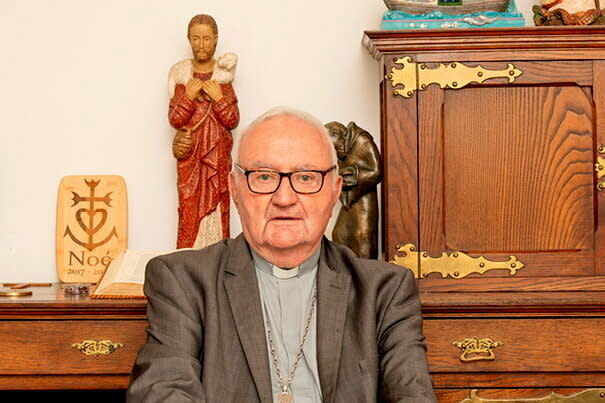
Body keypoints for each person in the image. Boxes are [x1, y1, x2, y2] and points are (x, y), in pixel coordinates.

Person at [127, 107, 436, 402]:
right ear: (234, 189)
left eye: (306, 178)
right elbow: (163, 392)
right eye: (263, 177)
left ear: (334, 190)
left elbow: (412, 395)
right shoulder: (184, 281)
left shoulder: (384, 290)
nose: (284, 198)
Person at [168, 14, 239, 249]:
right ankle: (187, 261)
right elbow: (175, 118)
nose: (201, 45)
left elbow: (232, 120)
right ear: (188, 40)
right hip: (190, 157)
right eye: (196, 38)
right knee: (189, 206)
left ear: (216, 40)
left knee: (218, 204)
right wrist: (188, 96)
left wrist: (219, 97)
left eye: (206, 39)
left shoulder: (222, 77)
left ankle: (217, 260)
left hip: (217, 157)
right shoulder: (182, 76)